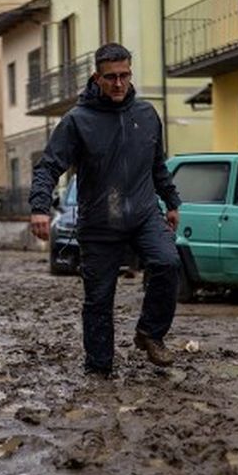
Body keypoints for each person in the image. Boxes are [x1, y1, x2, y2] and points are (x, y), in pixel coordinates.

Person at [29, 43, 182, 377]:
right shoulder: (77, 120)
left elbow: (157, 165)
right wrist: (39, 207)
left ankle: (150, 333)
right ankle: (99, 370)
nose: (119, 83)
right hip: (99, 223)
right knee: (99, 299)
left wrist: (171, 201)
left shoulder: (146, 115)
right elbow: (48, 167)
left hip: (143, 213)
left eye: (124, 75)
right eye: (111, 77)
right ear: (96, 77)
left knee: (168, 262)